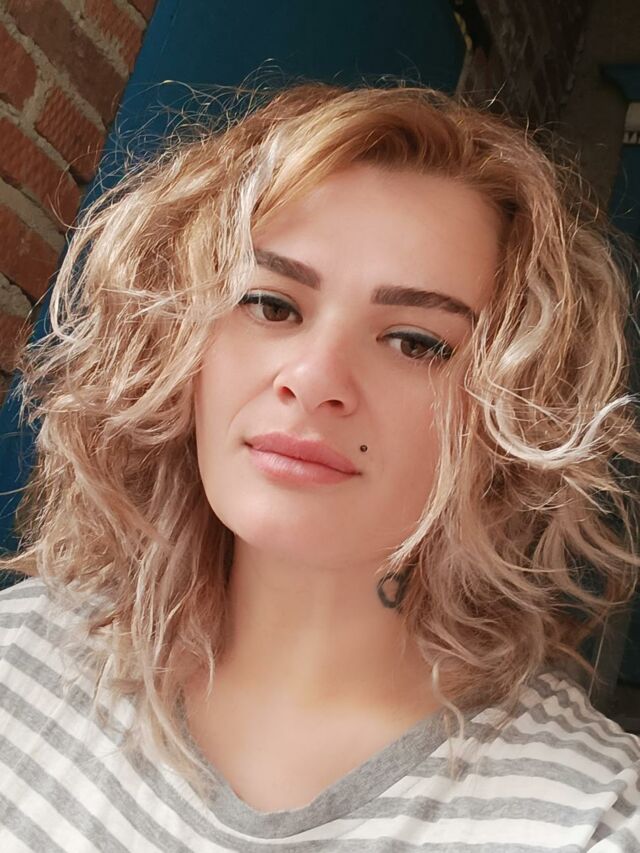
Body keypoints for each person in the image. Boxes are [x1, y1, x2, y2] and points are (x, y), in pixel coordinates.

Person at [0, 81, 639, 851]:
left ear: (514, 414)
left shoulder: (590, 817)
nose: (314, 378)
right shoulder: (20, 652)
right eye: (271, 305)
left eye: (416, 341)